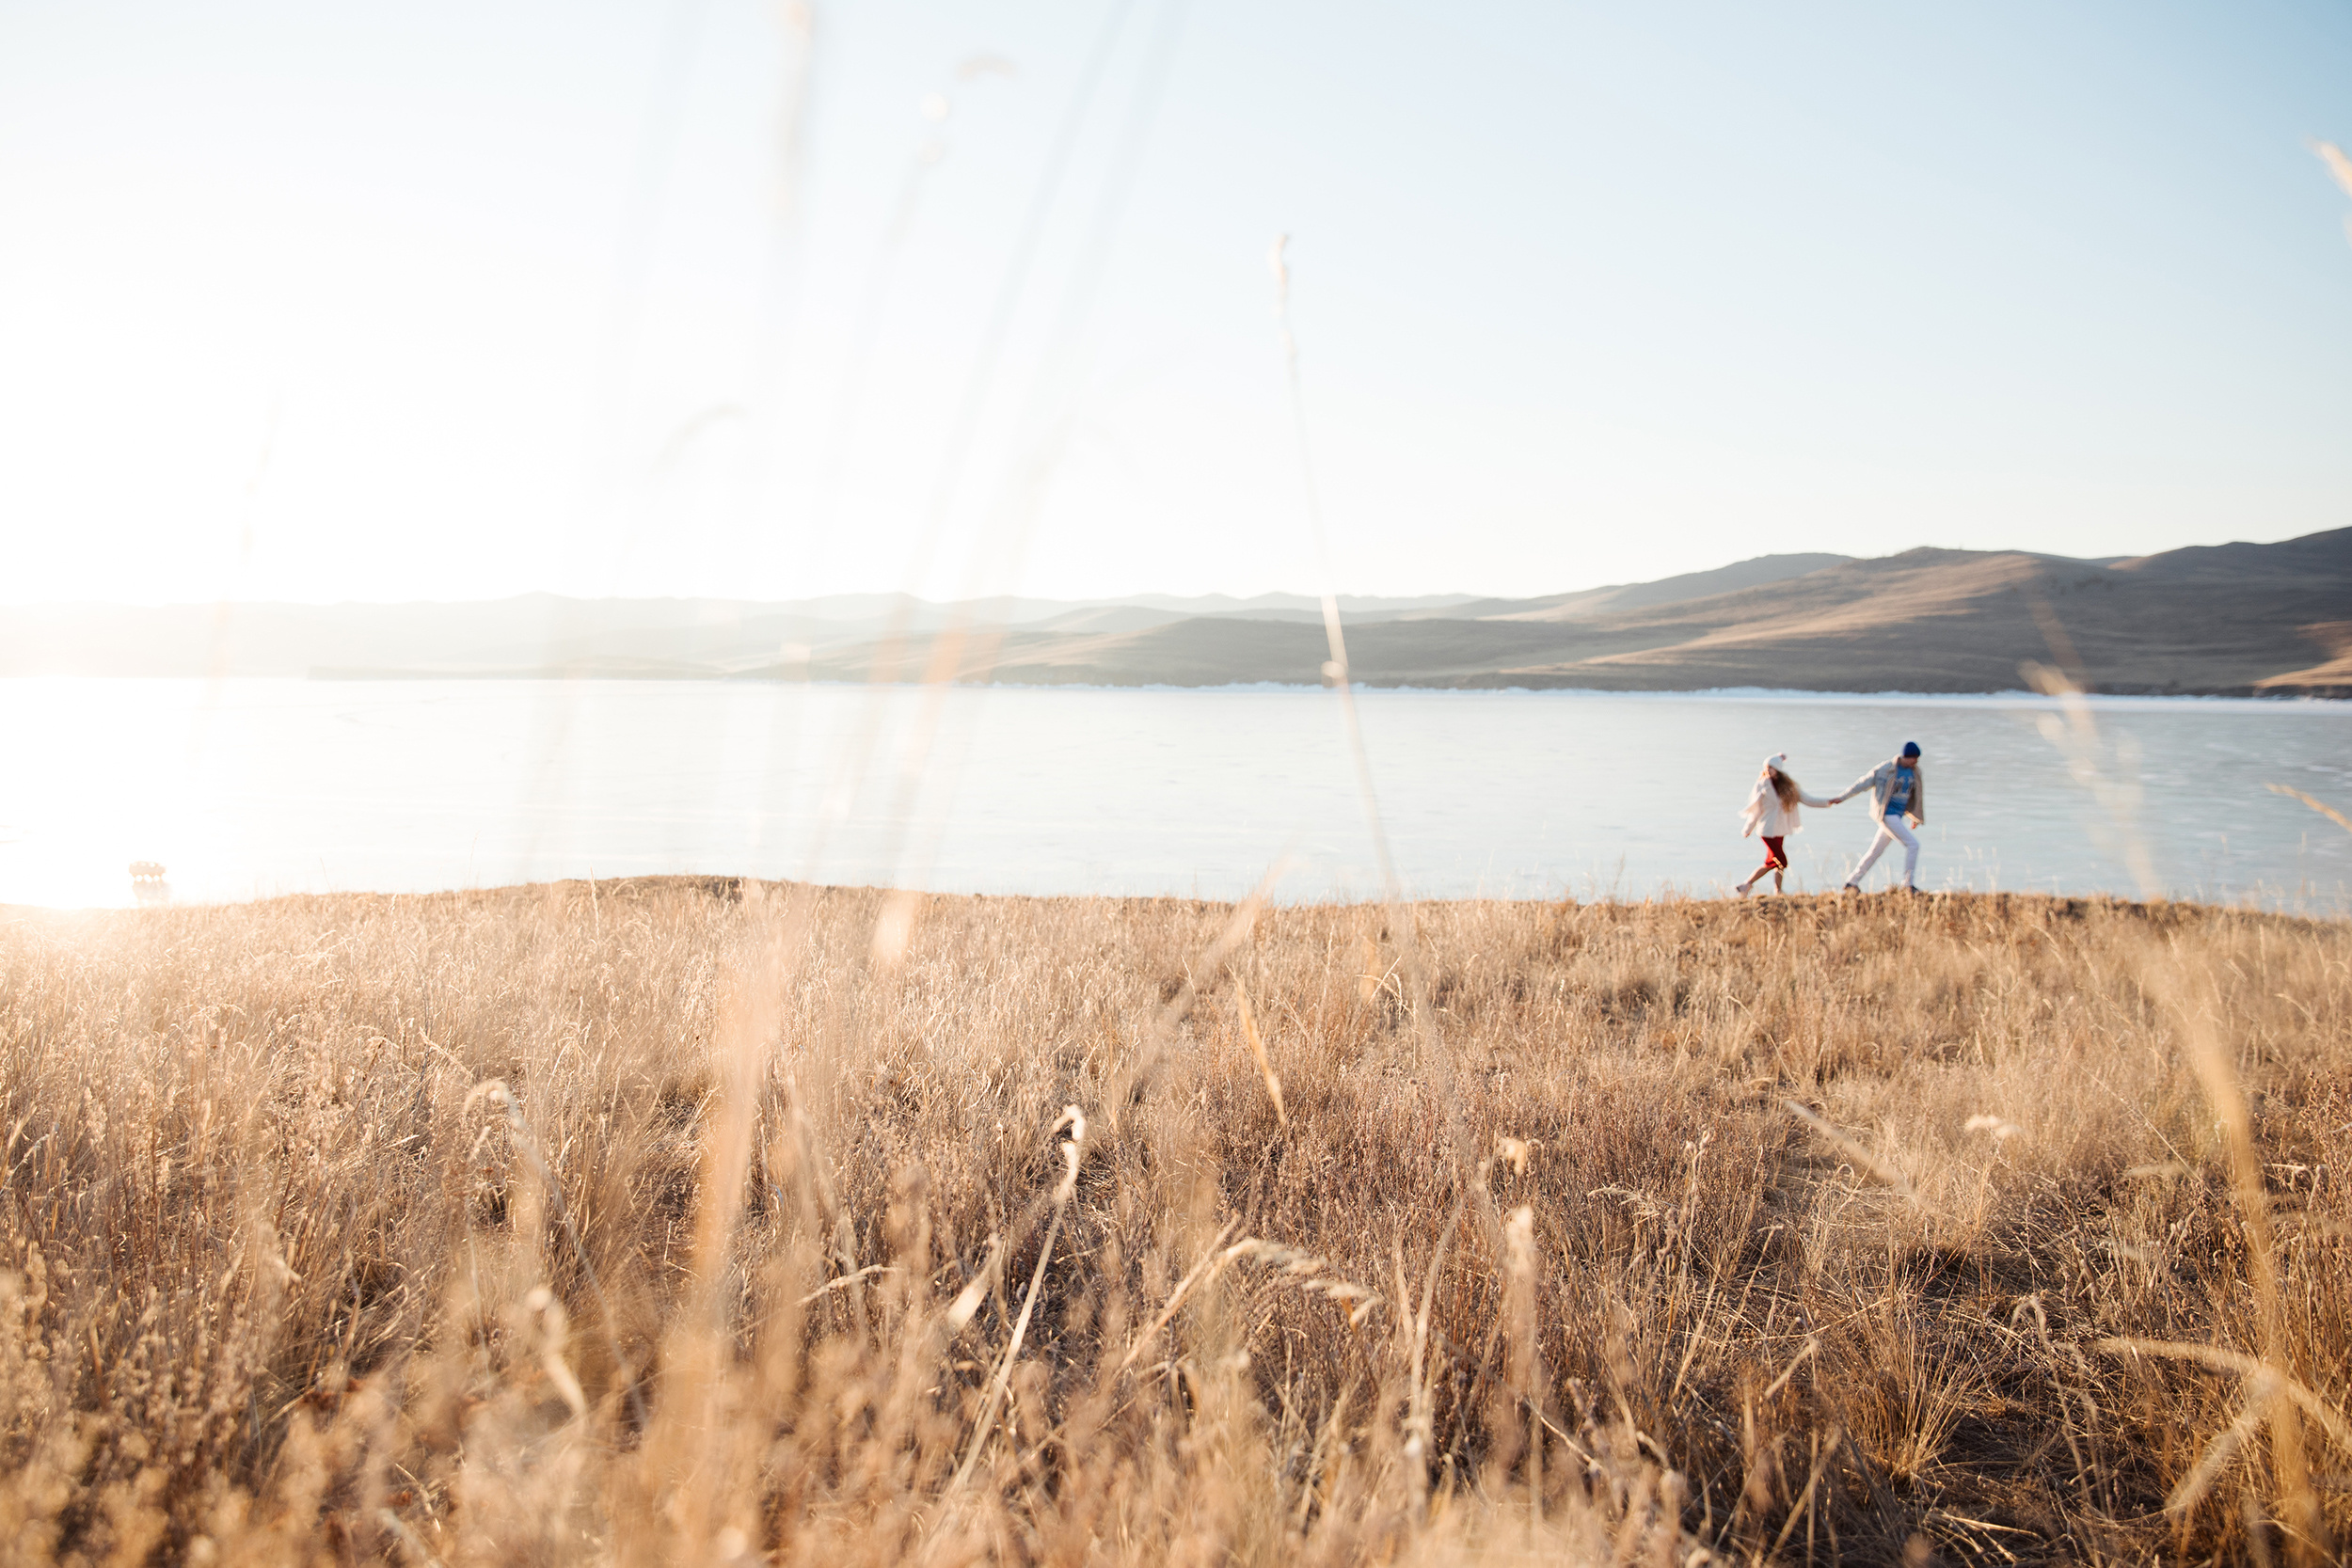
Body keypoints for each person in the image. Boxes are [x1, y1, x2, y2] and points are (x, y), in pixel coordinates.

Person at [1736, 752, 1836, 895]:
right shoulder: (1762, 784)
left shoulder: (1788, 787)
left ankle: (1774, 889)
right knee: (1781, 861)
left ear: (1777, 769)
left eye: (1771, 767)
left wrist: (1828, 802)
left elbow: (1807, 799)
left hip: (1780, 830)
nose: (1768, 770)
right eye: (1766, 768)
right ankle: (1748, 884)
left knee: (1773, 861)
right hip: (1767, 830)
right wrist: (1748, 828)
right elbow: (1756, 809)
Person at [1834, 741, 1927, 892]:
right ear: (1905, 756)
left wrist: (1914, 817)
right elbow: (1862, 784)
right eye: (1914, 758)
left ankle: (1851, 882)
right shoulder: (1886, 770)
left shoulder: (1915, 772)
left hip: (1897, 816)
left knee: (1875, 852)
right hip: (1887, 816)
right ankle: (1908, 885)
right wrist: (1842, 797)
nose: (1916, 761)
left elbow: (1915, 797)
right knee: (1913, 845)